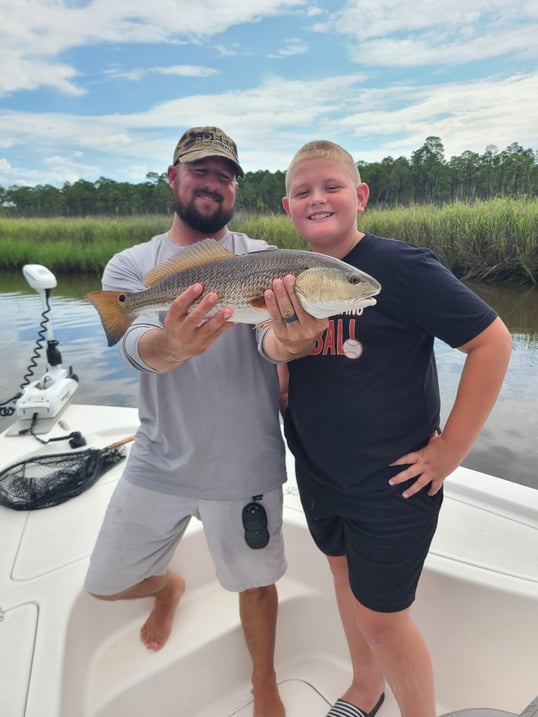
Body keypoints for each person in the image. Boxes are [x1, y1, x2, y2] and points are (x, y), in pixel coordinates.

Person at [259, 140, 512, 717]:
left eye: (331, 187)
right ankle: (364, 689)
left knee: (380, 618)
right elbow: (289, 368)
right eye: (303, 192)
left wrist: (450, 450)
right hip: (321, 476)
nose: (317, 199)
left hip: (393, 486)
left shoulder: (401, 266)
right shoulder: (285, 276)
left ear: (361, 197)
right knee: (345, 584)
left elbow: (492, 342)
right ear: (287, 206)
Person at [85, 126, 287, 717]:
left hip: (244, 462)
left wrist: (293, 343)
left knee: (256, 584)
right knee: (104, 582)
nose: (214, 183)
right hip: (158, 456)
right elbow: (137, 346)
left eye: (226, 175)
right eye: (201, 170)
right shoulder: (132, 266)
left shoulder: (267, 260)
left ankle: (265, 685)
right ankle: (169, 586)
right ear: (172, 177)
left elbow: (278, 343)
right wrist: (172, 346)